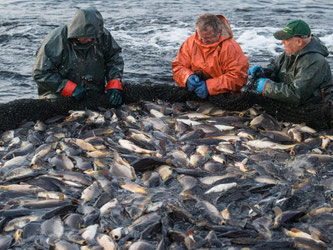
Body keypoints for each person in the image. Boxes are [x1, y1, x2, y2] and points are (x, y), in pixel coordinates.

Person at [32, 7, 124, 106]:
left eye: (93, 37)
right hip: (58, 94)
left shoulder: (102, 35)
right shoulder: (55, 40)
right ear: (77, 31)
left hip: (94, 91)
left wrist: (114, 84)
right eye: (87, 36)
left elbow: (114, 58)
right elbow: (41, 73)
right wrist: (70, 88)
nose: (90, 40)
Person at [248, 19, 333, 105]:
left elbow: (297, 95)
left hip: (316, 108)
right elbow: (275, 66)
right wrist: (264, 71)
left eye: (286, 39)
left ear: (299, 42)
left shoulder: (315, 61)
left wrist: (267, 87)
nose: (282, 42)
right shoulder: (291, 52)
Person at [171, 13, 249, 99]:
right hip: (195, 91)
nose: (204, 41)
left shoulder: (230, 47)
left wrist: (209, 86)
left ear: (219, 32)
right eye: (201, 37)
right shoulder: (190, 42)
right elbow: (178, 66)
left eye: (208, 38)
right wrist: (187, 77)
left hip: (224, 95)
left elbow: (238, 77)